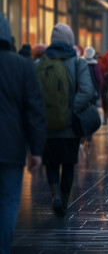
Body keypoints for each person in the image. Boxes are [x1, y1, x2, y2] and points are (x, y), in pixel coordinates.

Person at [0, 14, 46, 254]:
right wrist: (36, 150)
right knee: (7, 202)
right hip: (11, 148)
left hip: (12, 147)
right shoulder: (21, 65)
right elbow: (34, 109)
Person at [37, 23, 95, 216]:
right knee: (68, 164)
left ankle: (55, 195)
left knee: (51, 163)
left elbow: (33, 94)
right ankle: (63, 197)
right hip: (70, 126)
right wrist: (70, 110)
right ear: (70, 41)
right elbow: (87, 91)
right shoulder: (78, 63)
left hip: (48, 125)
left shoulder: (40, 64)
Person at [82, 46, 103, 150]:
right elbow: (99, 79)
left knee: (83, 113)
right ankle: (88, 136)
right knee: (91, 114)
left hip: (82, 93)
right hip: (93, 94)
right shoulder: (95, 65)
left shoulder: (81, 63)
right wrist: (98, 92)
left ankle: (83, 134)